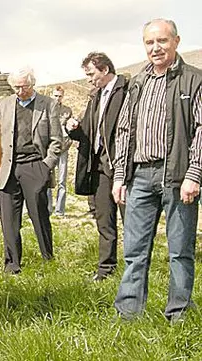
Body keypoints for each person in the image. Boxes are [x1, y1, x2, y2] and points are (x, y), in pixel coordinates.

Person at [112, 19, 202, 321]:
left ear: (176, 41)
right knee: (134, 251)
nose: (156, 48)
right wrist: (120, 176)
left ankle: (178, 313)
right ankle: (128, 314)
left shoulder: (194, 80)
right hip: (140, 176)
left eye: (162, 41)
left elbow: (201, 129)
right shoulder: (137, 82)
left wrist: (194, 174)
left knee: (180, 251)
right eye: (150, 42)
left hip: (177, 178)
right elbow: (124, 130)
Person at [65, 52, 128, 281]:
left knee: (131, 221)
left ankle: (135, 269)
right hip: (100, 168)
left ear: (105, 69)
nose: (89, 79)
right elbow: (89, 135)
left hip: (124, 168)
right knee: (104, 220)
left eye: (91, 74)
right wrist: (73, 128)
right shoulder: (95, 97)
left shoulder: (128, 91)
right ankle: (106, 269)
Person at [0, 67, 62, 274]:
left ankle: (47, 259)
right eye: (15, 87)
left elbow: (57, 140)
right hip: (8, 168)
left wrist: (46, 166)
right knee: (9, 221)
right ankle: (12, 265)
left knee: (39, 216)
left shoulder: (48, 105)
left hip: (35, 165)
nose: (19, 91)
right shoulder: (4, 105)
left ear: (32, 84)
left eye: (23, 87)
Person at [46, 85, 72, 216]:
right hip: (50, 148)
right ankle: (48, 208)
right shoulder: (47, 109)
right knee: (48, 178)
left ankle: (60, 210)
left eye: (60, 96)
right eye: (55, 95)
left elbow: (70, 129)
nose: (57, 98)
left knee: (62, 180)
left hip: (63, 148)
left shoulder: (67, 111)